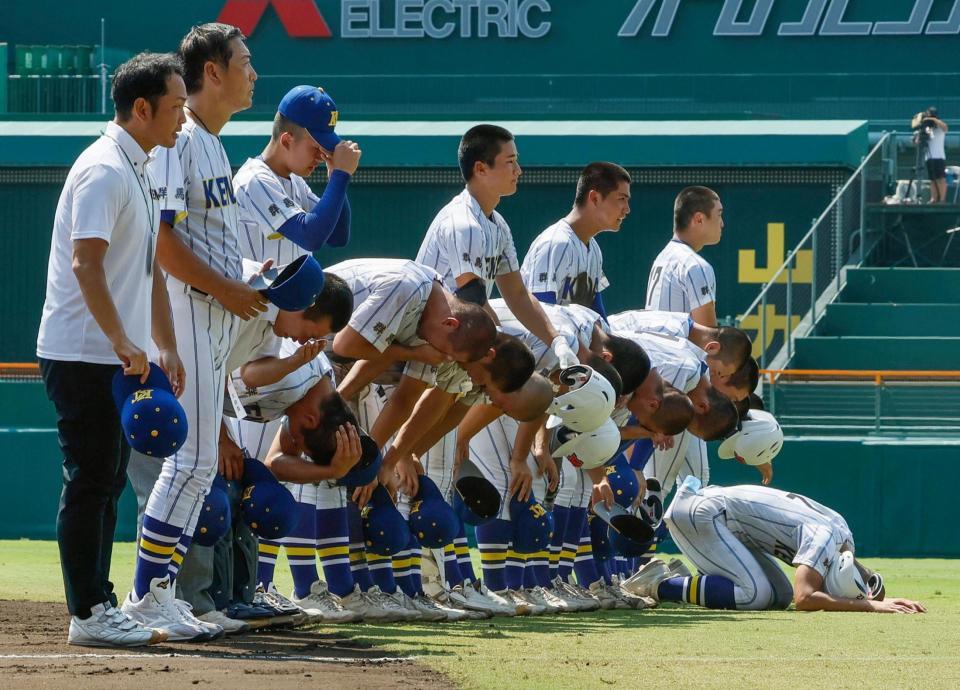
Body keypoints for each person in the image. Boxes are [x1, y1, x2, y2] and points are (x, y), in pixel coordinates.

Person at [36, 52, 187, 647]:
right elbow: (86, 263)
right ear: (142, 108)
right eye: (175, 107)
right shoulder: (103, 168)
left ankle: (98, 605)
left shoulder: (141, 168)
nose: (182, 119)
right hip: (81, 352)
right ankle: (90, 612)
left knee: (108, 479)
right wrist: (124, 340)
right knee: (91, 479)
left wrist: (161, 346)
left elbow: (146, 272)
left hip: (118, 354)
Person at [122, 23, 264, 642]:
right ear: (212, 71)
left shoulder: (211, 143)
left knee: (199, 465)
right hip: (187, 311)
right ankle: (147, 594)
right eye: (244, 61)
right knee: (193, 462)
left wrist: (245, 282)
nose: (252, 72)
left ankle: (158, 593)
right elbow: (163, 240)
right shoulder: (182, 143)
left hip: (209, 315)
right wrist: (230, 288)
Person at [624, 480, 926, 614]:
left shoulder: (842, 536)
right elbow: (806, 598)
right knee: (755, 595)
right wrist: (869, 605)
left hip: (719, 519)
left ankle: (685, 581)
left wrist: (876, 594)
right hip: (702, 515)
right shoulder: (824, 538)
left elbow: (854, 576)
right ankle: (659, 585)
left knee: (778, 597)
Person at [234, 84, 360, 266]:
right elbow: (310, 237)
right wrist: (341, 175)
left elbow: (338, 236)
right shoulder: (255, 179)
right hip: (255, 293)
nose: (321, 156)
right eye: (316, 147)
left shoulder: (295, 181)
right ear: (287, 140)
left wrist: (335, 175)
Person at [521, 161, 632, 316]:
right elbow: (541, 315)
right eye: (621, 199)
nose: (627, 209)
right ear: (595, 198)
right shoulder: (556, 243)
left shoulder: (594, 249)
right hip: (541, 338)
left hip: (569, 336)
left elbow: (597, 315)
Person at [645, 186, 723, 327]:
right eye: (719, 215)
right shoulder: (695, 265)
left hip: (652, 347)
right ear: (699, 219)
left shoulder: (662, 257)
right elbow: (708, 338)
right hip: (675, 349)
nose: (722, 223)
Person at [920, 107, 949, 203]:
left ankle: (942, 199)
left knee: (940, 178)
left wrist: (933, 119)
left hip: (939, 156)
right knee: (932, 179)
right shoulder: (927, 128)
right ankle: (934, 197)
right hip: (929, 156)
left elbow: (945, 127)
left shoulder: (939, 127)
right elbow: (918, 140)